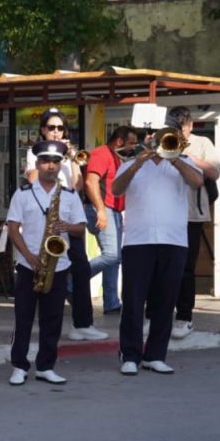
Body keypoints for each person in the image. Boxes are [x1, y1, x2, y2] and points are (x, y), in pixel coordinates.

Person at [112, 123, 204, 375]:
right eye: (159, 139)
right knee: (133, 300)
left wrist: (174, 159)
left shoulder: (182, 162)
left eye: (167, 139)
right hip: (137, 241)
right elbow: (115, 189)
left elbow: (197, 181)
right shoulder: (131, 164)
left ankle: (155, 355)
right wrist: (137, 163)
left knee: (165, 300)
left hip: (173, 240)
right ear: (149, 140)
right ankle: (130, 355)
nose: (161, 143)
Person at [5, 140, 87, 387]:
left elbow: (81, 229)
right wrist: (29, 256)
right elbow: (12, 228)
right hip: (29, 265)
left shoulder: (70, 196)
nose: (50, 166)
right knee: (23, 319)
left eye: (55, 162)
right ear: (38, 164)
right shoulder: (23, 193)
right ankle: (19, 366)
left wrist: (67, 227)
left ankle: (46, 366)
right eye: (45, 161)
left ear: (61, 164)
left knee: (53, 320)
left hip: (58, 266)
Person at [24, 108, 105, 342]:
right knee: (42, 270)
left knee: (81, 269)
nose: (56, 132)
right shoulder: (35, 152)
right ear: (43, 130)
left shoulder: (69, 154)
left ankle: (83, 324)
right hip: (45, 216)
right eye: (52, 127)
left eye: (60, 128)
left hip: (69, 215)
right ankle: (38, 323)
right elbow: (31, 180)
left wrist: (72, 160)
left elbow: (78, 186)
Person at [166, 107, 220, 339]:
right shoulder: (163, 139)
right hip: (166, 214)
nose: (181, 128)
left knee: (186, 269)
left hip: (191, 215)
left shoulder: (202, 143)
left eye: (184, 124)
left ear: (190, 125)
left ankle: (184, 317)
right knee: (163, 267)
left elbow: (215, 172)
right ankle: (156, 315)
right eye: (176, 124)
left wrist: (190, 158)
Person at [83, 125, 138, 318]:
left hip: (111, 210)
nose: (134, 147)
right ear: (120, 142)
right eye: (131, 143)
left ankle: (112, 303)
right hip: (102, 208)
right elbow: (90, 182)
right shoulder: (102, 153)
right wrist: (100, 210)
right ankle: (73, 280)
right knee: (112, 256)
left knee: (113, 261)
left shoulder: (116, 157)